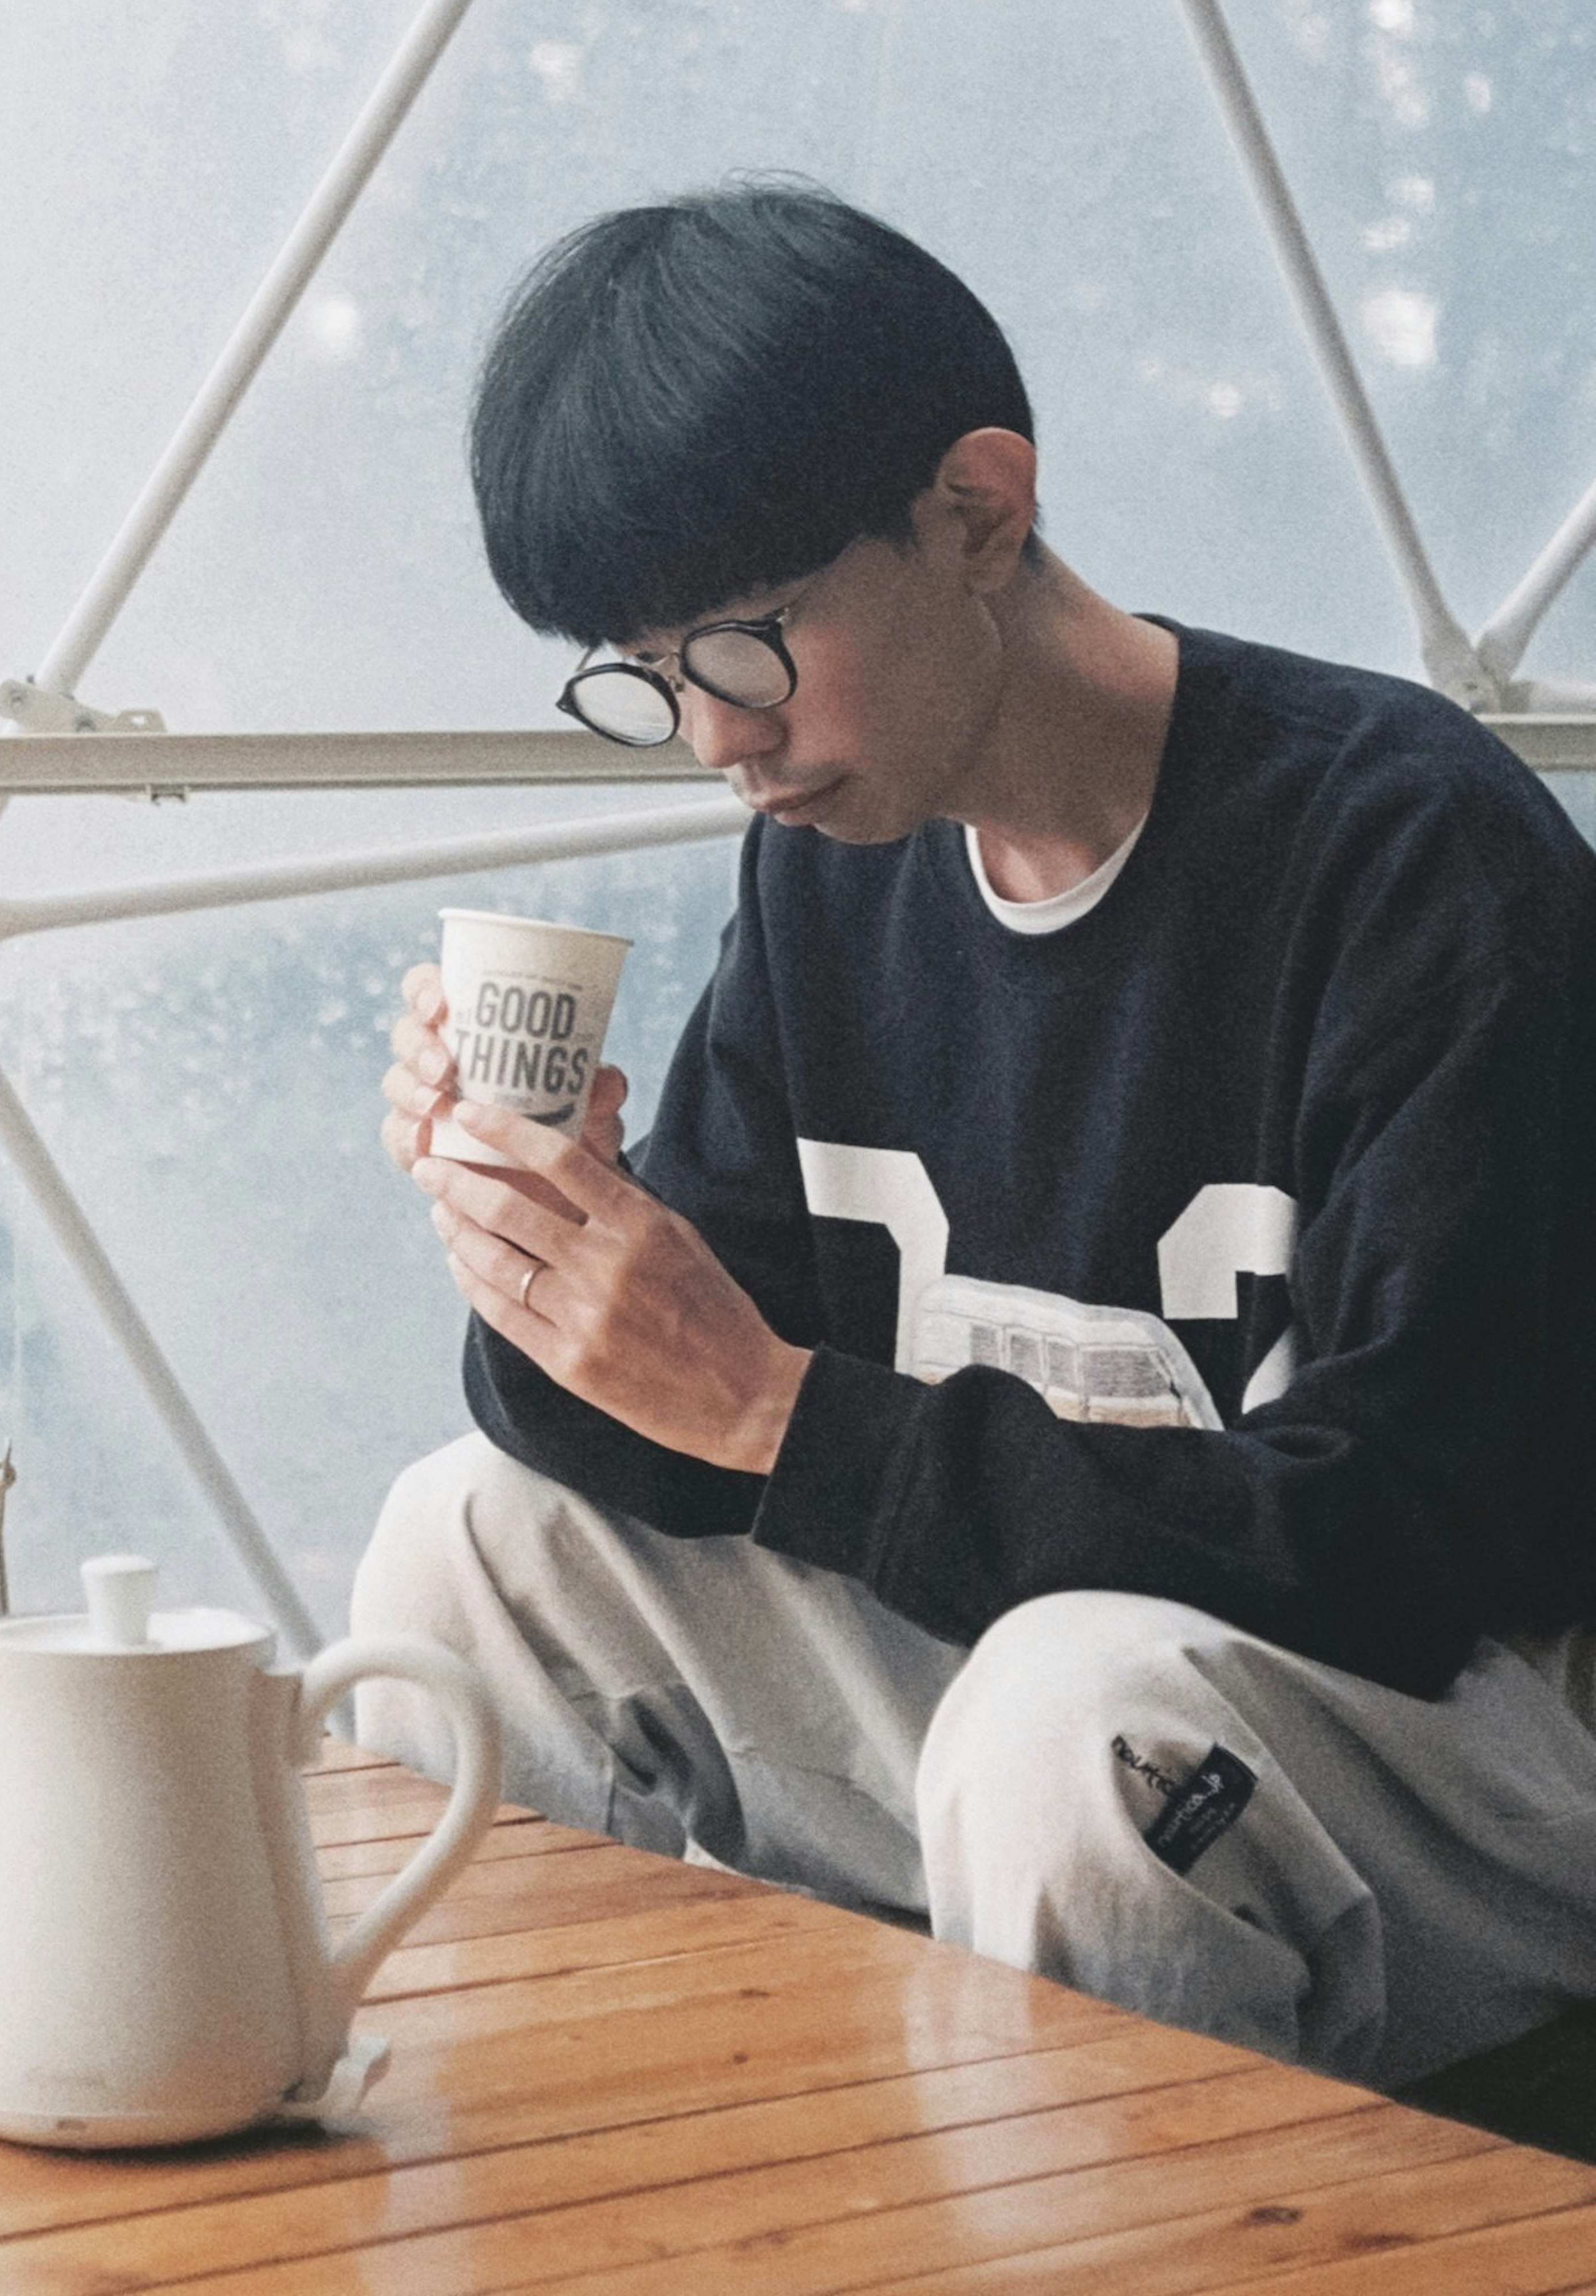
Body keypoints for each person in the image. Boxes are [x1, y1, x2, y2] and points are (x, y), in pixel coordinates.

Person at [351, 177, 1596, 2088]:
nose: (711, 737)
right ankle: (522, 2219)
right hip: (1045, 1679)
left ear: (978, 514)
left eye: (742, 642)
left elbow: (1412, 1543)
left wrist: (777, 1411)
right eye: (647, 672)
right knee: (470, 1544)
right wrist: (552, 1241)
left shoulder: (1408, 856)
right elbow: (679, 1439)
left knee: (1073, 1719)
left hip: (1459, 1752)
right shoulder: (837, 869)